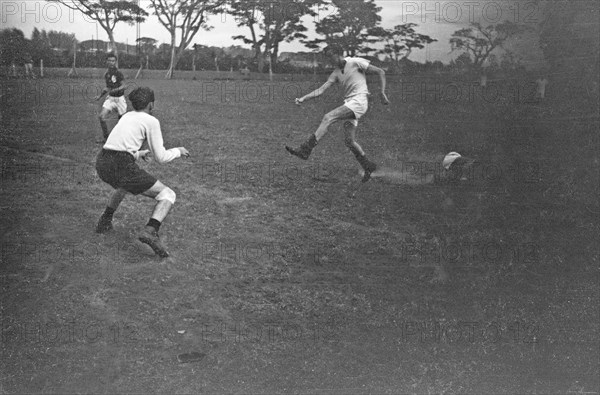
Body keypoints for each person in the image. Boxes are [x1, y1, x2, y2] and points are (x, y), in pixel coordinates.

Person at [95, 87, 190, 258]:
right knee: (168, 194)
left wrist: (138, 153)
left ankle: (105, 221)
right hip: (121, 164)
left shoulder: (127, 116)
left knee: (123, 185)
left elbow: (116, 145)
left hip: (102, 161)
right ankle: (150, 231)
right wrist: (178, 150)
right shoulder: (151, 121)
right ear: (151, 104)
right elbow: (161, 157)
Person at [285, 44, 390, 182]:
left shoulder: (355, 62)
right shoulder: (335, 73)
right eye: (327, 57)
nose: (329, 60)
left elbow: (380, 71)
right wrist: (304, 98)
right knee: (349, 141)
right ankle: (368, 165)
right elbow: (321, 90)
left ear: (339, 53)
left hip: (359, 102)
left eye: (330, 56)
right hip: (350, 104)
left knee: (328, 117)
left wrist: (382, 92)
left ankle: (306, 149)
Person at [94, 52, 127, 143]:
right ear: (106, 62)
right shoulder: (107, 74)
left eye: (113, 61)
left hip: (120, 99)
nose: (111, 62)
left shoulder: (118, 73)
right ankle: (106, 138)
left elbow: (124, 86)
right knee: (101, 117)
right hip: (110, 99)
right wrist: (100, 96)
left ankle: (122, 140)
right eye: (109, 60)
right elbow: (107, 87)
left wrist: (115, 90)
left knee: (122, 122)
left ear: (115, 62)